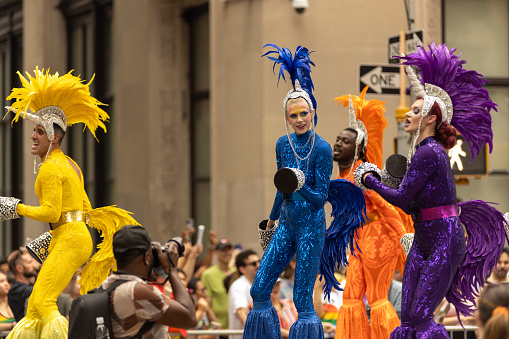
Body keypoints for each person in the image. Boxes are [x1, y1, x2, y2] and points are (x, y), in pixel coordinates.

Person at [356, 43, 508, 338]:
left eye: (415, 111)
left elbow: (401, 198)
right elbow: (407, 197)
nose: (407, 115)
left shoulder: (429, 152)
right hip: (427, 237)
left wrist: (371, 179)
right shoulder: (423, 151)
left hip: (444, 240)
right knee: (410, 317)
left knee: (420, 316)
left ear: (430, 119)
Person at [0, 68, 139, 338]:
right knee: (35, 307)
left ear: (54, 136)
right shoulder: (71, 164)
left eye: (39, 131)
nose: (32, 136)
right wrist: (55, 236)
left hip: (71, 240)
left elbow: (51, 211)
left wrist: (13, 207)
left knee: (42, 302)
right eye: (34, 130)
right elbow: (82, 209)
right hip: (73, 237)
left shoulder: (50, 168)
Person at [244, 44, 333, 339]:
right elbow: (282, 188)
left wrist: (300, 184)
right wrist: (271, 219)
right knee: (259, 289)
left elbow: (320, 199)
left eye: (303, 114)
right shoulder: (283, 144)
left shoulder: (321, 148)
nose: (299, 120)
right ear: (286, 117)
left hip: (310, 227)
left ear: (313, 113)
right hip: (286, 223)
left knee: (302, 300)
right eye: (293, 116)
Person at [331, 87, 408, 339]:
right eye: (338, 138)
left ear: (357, 149)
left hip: (380, 234)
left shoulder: (364, 172)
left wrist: (404, 237)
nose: (337, 143)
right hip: (359, 239)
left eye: (345, 141)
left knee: (377, 299)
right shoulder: (343, 173)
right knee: (351, 297)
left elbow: (386, 205)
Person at [101, 224, 197, 337]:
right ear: (147, 258)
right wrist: (172, 270)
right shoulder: (138, 292)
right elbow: (189, 318)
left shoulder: (107, 285)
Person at [201, 238, 235, 329]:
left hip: (236, 326)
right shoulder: (208, 274)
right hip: (219, 329)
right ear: (215, 252)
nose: (227, 253)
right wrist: (217, 325)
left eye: (229, 249)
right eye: (223, 250)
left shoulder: (236, 273)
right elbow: (206, 301)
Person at [228, 250, 260, 339]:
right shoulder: (238, 286)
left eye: (259, 261)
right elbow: (241, 313)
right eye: (254, 263)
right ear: (242, 269)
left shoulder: (259, 285)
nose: (258, 265)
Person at [6, 249, 38, 322]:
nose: (34, 265)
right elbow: (41, 291)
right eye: (30, 262)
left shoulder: (29, 286)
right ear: (19, 268)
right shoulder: (16, 290)